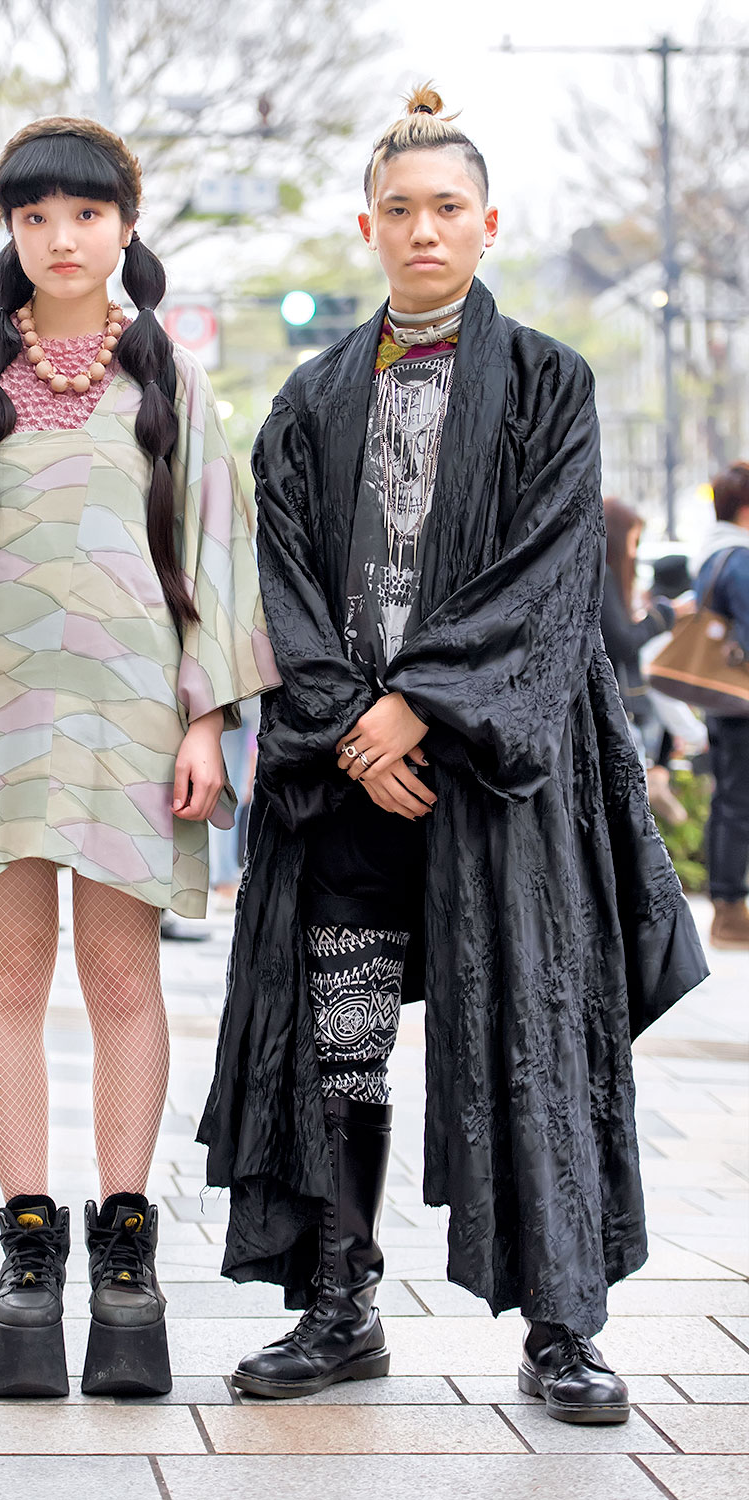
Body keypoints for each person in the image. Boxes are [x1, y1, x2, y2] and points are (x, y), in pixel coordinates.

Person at [198, 86, 708, 1424]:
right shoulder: (309, 399)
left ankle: (562, 1327)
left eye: (447, 208)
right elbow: (280, 582)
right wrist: (351, 727)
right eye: (400, 210)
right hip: (350, 782)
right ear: (368, 227)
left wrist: (418, 703)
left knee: (531, 1035)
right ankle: (341, 1303)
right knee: (343, 1042)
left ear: (489, 224)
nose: (423, 230)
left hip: (499, 780)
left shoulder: (548, 382)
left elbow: (548, 574)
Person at [0, 116, 279, 1400]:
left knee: (125, 979)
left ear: (125, 227)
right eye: (35, 217)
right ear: (12, 231)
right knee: (11, 974)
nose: (61, 237)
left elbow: (215, 557)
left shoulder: (172, 378)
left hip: (134, 720)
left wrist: (207, 718)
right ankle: (29, 1250)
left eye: (85, 214)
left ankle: (125, 1255)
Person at [600, 498, 694, 823]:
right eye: (633, 540)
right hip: (620, 711)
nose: (634, 551)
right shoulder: (604, 577)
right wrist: (664, 615)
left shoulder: (602, 577)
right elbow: (623, 642)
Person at [694, 461, 749, 949]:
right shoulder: (740, 559)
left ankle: (727, 908)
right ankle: (730, 913)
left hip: (721, 699)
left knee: (728, 799)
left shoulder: (711, 555)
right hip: (742, 701)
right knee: (736, 803)